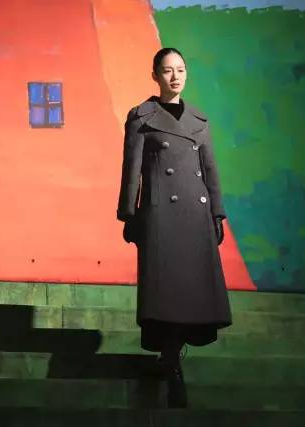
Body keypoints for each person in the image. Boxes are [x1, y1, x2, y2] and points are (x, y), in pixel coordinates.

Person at [117, 47, 232, 408]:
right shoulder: (141, 117)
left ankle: (170, 360)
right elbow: (131, 169)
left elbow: (210, 170)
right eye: (167, 70)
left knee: (190, 293)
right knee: (165, 293)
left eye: (180, 69)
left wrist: (217, 213)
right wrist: (129, 214)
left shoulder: (199, 120)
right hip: (160, 217)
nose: (175, 76)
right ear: (155, 75)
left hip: (196, 216)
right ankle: (171, 364)